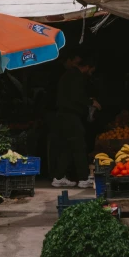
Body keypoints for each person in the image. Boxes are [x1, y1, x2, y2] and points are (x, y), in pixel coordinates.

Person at [51, 53, 101, 189]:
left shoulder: (69, 75)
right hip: (69, 116)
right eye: (91, 70)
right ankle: (84, 178)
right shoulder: (76, 76)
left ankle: (59, 177)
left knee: (68, 147)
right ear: (87, 67)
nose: (91, 73)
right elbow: (77, 97)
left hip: (64, 116)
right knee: (79, 146)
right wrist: (91, 102)